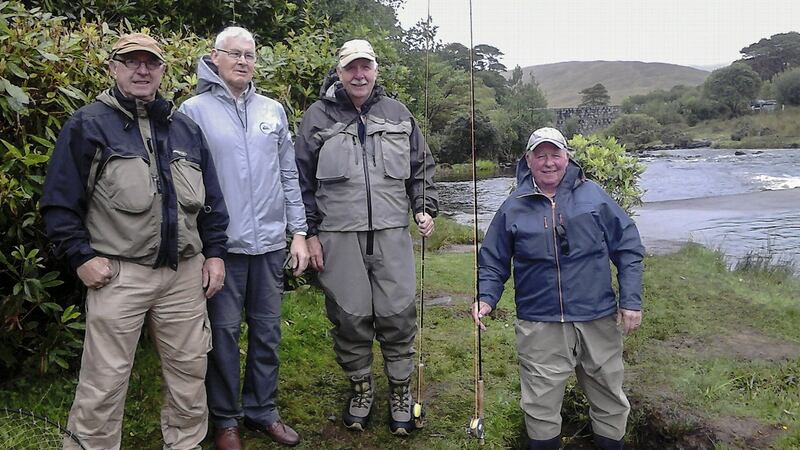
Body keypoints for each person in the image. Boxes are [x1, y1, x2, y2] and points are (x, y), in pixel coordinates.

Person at [40, 33, 229, 450]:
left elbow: (212, 202)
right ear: (113, 68)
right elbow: (58, 203)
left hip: (184, 276)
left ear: (163, 70)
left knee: (189, 372)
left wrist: (215, 255)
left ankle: (185, 444)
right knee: (103, 379)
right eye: (131, 62)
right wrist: (80, 258)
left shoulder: (185, 130)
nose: (142, 70)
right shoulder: (88, 125)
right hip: (118, 276)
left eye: (151, 63)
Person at [294, 39, 438, 435]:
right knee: (349, 316)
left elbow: (421, 165)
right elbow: (300, 180)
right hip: (338, 236)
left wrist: (424, 207)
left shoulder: (398, 113)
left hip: (392, 233)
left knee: (398, 315)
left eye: (366, 67)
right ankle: (360, 388)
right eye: (351, 68)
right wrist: (308, 234)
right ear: (339, 72)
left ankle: (400, 391)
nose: (359, 75)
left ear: (375, 70)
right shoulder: (316, 118)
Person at [472, 127, 644, 450]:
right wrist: (485, 297)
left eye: (555, 154)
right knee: (539, 406)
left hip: (598, 318)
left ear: (567, 157)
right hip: (540, 323)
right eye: (541, 155)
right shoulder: (513, 206)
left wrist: (631, 300)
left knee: (610, 398)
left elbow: (628, 246)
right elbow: (493, 259)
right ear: (528, 160)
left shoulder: (594, 196)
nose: (548, 162)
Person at [178, 27, 308, 449]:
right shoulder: (191, 111)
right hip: (222, 250)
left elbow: (289, 174)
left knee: (268, 332)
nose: (242, 61)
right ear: (213, 58)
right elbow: (183, 184)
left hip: (270, 245)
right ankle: (226, 419)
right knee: (224, 336)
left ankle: (262, 409)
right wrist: (198, 246)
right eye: (233, 53)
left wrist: (299, 232)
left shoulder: (273, 110)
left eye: (249, 54)